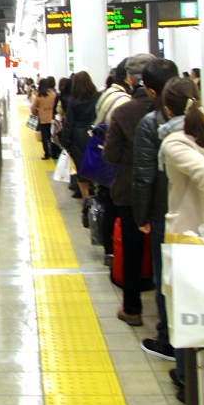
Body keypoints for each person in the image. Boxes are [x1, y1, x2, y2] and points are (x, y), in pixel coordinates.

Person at [159, 77, 204, 399]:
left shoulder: (174, 141)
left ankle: (188, 379)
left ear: (166, 107)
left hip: (193, 233)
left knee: (187, 308)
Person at [130, 58, 180, 360]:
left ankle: (168, 340)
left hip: (164, 214)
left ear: (149, 91)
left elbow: (144, 177)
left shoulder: (150, 123)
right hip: (200, 213)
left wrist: (141, 216)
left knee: (168, 278)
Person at [102, 53, 156, 325]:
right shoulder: (179, 110)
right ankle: (169, 320)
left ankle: (132, 309)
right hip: (167, 194)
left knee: (133, 252)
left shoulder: (123, 112)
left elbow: (110, 156)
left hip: (129, 193)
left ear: (129, 79)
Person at [91, 59, 131, 265]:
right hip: (113, 160)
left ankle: (109, 249)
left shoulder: (106, 94)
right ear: (128, 78)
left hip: (103, 155)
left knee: (107, 203)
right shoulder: (123, 102)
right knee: (115, 207)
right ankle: (115, 251)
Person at [60, 70, 98, 218]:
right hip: (93, 134)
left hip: (77, 137)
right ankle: (96, 195)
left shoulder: (73, 101)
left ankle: (86, 199)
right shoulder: (96, 98)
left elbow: (69, 123)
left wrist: (65, 141)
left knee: (81, 169)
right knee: (94, 165)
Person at [30, 77, 56, 160]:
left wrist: (37, 112)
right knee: (51, 135)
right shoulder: (53, 94)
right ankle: (53, 151)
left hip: (43, 119)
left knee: (44, 137)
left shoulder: (39, 96)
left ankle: (47, 153)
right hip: (52, 118)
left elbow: (33, 109)